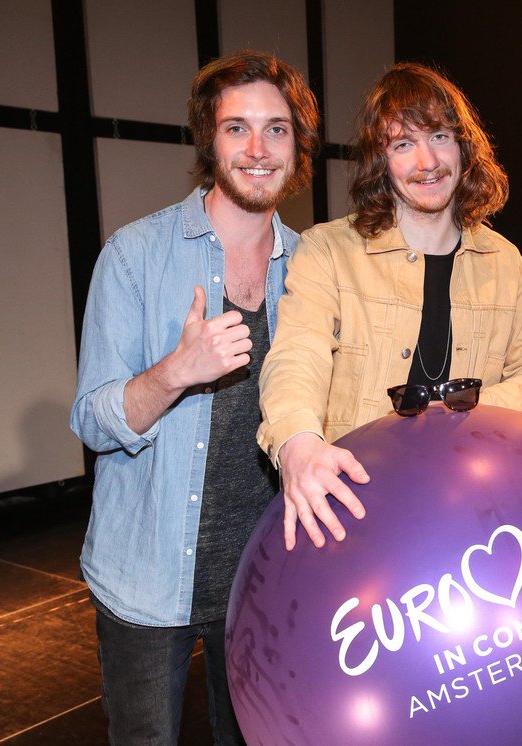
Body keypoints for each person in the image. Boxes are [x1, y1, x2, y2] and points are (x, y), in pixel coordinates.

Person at [70, 50, 319, 744]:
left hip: (265, 580)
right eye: (237, 128)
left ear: (297, 145)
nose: (258, 149)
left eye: (276, 129)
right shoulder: (136, 254)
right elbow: (92, 419)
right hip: (148, 580)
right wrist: (176, 371)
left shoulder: (312, 266)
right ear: (209, 139)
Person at [257, 62, 522, 552]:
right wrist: (297, 442)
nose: (427, 161)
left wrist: (466, 413)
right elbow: (296, 356)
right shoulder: (328, 250)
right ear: (381, 160)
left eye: (439, 137)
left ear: (464, 147)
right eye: (403, 145)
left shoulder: (505, 261)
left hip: (472, 511)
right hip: (356, 513)